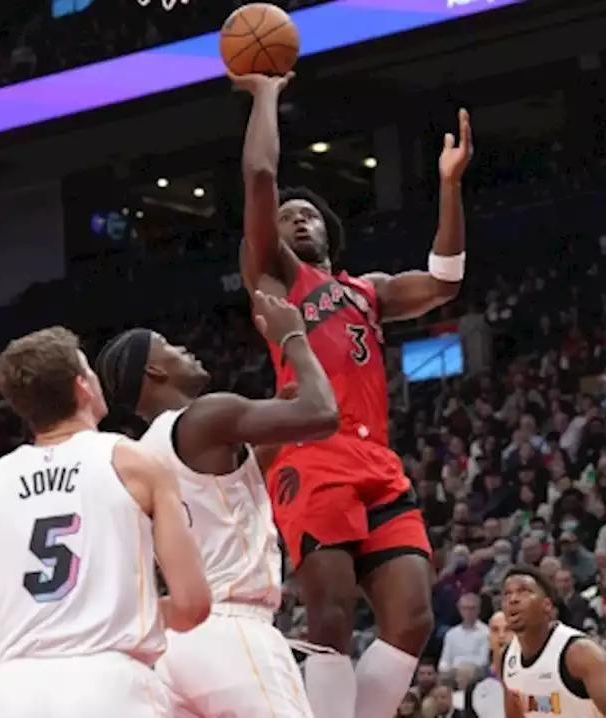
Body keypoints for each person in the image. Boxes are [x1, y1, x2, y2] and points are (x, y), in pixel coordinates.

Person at [231, 70, 475, 718]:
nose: (296, 221)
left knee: (414, 618)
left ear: (328, 230)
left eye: (307, 214)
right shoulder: (277, 278)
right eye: (286, 218)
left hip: (378, 462)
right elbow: (259, 178)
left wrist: (449, 185)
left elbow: (446, 281)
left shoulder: (367, 290)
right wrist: (264, 95)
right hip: (311, 454)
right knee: (331, 622)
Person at [0, 326, 212, 718]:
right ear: (83, 388)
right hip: (111, 686)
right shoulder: (137, 463)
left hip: (10, 694)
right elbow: (193, 604)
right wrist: (121, 610)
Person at [94, 291, 339, 718]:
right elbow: (322, 413)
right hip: (232, 627)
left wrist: (269, 442)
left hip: (176, 647)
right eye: (169, 345)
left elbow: (221, 499)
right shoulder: (207, 415)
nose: (184, 349)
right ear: (154, 369)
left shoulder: (141, 455)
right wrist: (294, 337)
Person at [498, 566, 606, 718]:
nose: (513, 599)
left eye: (524, 591)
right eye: (507, 594)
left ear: (547, 606)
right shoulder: (506, 658)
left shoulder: (579, 652)